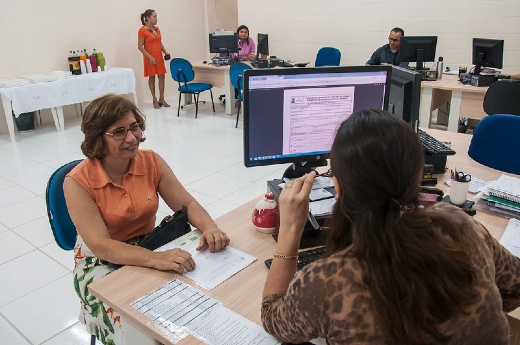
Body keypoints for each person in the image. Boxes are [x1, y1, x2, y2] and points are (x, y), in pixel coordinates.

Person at [261, 109, 520, 344]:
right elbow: (514, 290)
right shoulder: (461, 225)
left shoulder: (326, 282)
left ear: (337, 187)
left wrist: (290, 231)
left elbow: (273, 319)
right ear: (417, 175)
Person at [64, 94, 230, 344]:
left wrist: (210, 227)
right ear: (98, 137)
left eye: (135, 127)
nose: (132, 138)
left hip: (149, 245)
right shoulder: (77, 181)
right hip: (100, 261)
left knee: (192, 308)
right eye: (119, 132)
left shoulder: (150, 160)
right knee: (141, 332)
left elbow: (187, 204)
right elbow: (100, 245)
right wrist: (155, 259)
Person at [138, 9, 170, 109]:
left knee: (162, 76)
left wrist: (165, 51)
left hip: (159, 56)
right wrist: (150, 57)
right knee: (152, 77)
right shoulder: (142, 30)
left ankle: (162, 98)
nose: (156, 19)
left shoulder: (157, 29)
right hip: (149, 57)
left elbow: (159, 42)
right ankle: (154, 98)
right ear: (148, 18)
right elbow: (140, 46)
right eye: (154, 16)